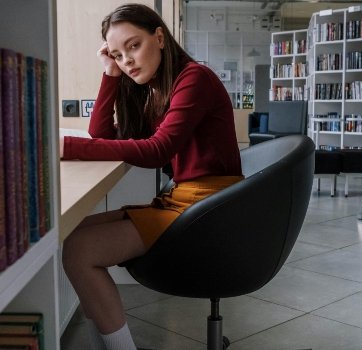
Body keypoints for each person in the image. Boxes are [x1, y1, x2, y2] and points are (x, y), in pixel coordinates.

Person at [59, 3, 243, 350]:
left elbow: (158, 149)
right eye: (117, 53)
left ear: (159, 37)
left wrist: (68, 146)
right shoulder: (155, 92)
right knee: (73, 232)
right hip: (185, 200)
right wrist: (109, 74)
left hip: (209, 207)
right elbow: (101, 134)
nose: (127, 60)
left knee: (79, 251)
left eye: (133, 45)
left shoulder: (194, 78)